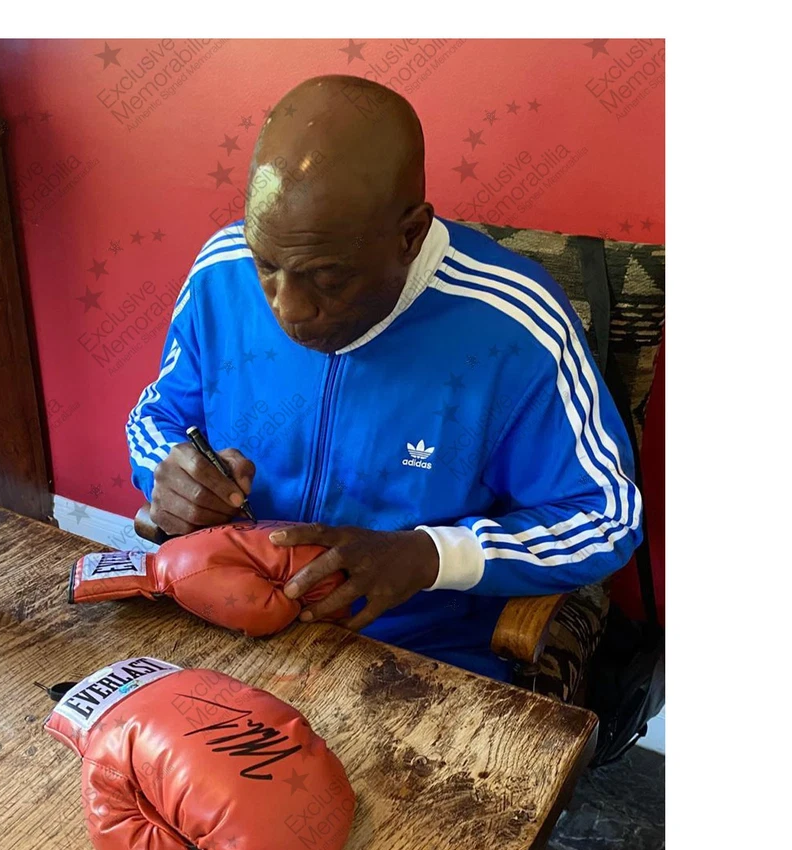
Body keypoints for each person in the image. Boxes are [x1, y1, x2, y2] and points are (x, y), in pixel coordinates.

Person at [126, 75, 642, 681]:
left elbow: (606, 516)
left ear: (411, 235)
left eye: (328, 277)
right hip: (226, 609)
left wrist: (426, 556)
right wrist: (174, 470)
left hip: (415, 654)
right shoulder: (222, 270)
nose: (288, 309)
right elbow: (156, 419)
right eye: (268, 266)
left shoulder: (516, 325)